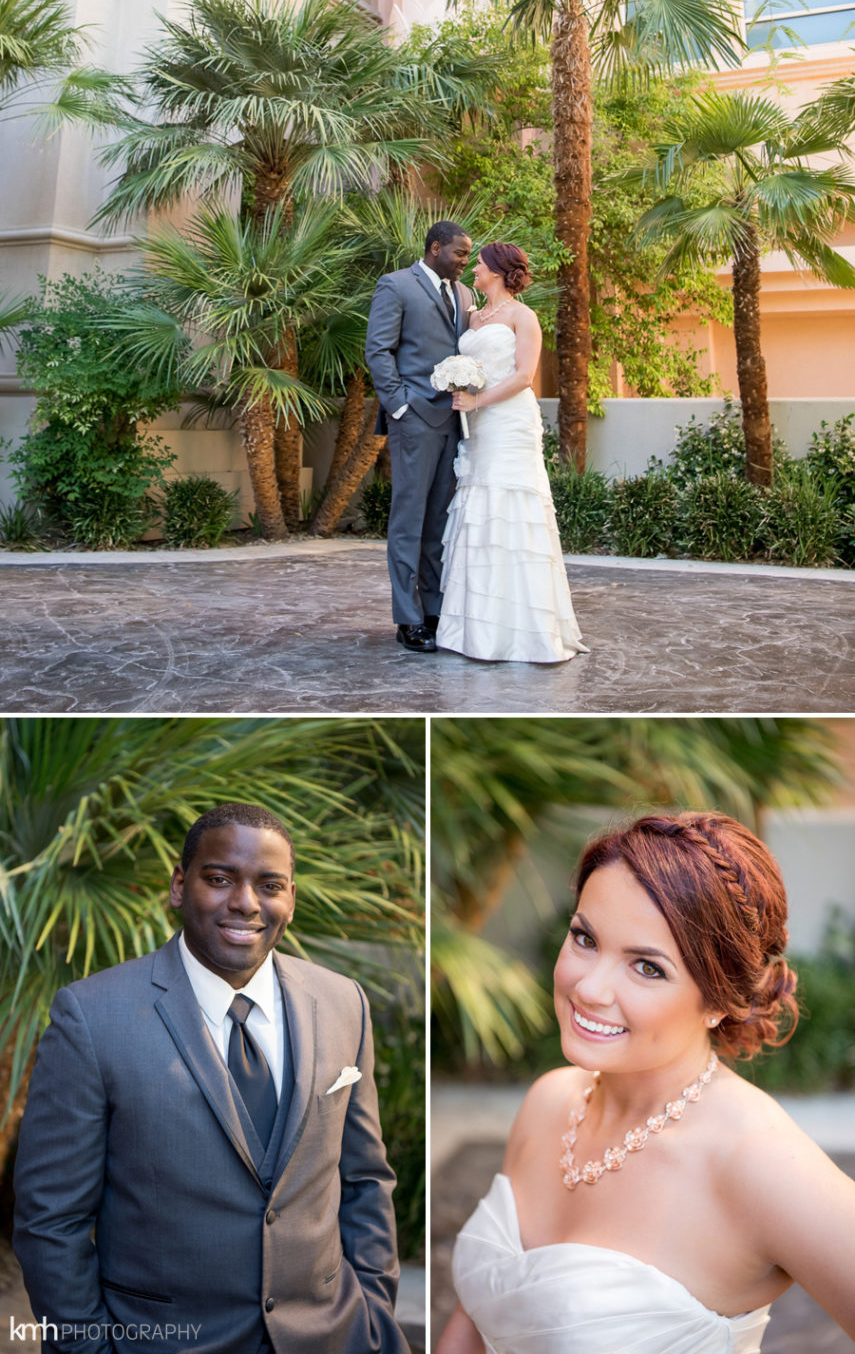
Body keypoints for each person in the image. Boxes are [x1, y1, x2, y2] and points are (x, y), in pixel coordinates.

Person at [437, 810, 855, 1353]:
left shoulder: (758, 1160)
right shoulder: (550, 1100)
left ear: (719, 1001)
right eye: (585, 938)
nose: (589, 987)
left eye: (648, 967)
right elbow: (479, 1316)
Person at [14, 801, 408, 1354]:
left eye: (269, 884)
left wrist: (373, 1313)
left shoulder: (344, 1003)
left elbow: (365, 1180)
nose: (245, 902)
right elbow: (50, 1221)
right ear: (180, 885)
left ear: (290, 897)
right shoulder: (92, 1018)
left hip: (335, 1336)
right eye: (220, 878)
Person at [435, 242, 584, 665]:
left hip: (508, 422)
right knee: (480, 508)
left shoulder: (524, 316)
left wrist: (477, 402)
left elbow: (523, 376)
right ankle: (475, 628)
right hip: (477, 427)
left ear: (498, 271)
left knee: (510, 509)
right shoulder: (471, 316)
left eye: (479, 264)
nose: (473, 269)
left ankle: (525, 630)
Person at [365, 220, 474, 652]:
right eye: (460, 253)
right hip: (413, 420)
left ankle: (433, 610)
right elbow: (378, 349)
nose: (466, 262)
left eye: (468, 255)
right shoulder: (396, 286)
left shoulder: (464, 295)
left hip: (453, 421)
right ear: (435, 248)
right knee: (408, 521)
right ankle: (407, 619)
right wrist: (400, 405)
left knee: (438, 523)